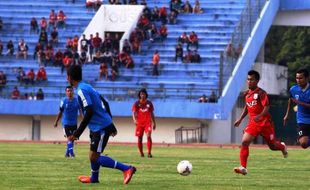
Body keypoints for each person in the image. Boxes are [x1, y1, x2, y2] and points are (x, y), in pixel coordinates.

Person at [66, 65, 136, 184]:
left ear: (69, 78)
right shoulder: (87, 86)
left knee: (95, 157)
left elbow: (89, 111)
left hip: (100, 127)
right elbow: (105, 102)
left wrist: (77, 134)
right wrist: (111, 123)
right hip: (98, 126)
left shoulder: (81, 91)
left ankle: (127, 168)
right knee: (92, 155)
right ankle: (94, 178)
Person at [233, 70, 288, 175]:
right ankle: (243, 167)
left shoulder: (261, 93)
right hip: (253, 123)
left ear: (257, 81)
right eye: (248, 79)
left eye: (252, 79)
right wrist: (240, 119)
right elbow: (247, 107)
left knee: (272, 146)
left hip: (265, 123)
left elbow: (267, 107)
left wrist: (260, 116)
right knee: (245, 142)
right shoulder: (247, 94)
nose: (249, 82)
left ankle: (282, 147)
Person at [283, 68, 310, 149]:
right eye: (297, 78)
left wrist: (299, 103)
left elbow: (296, 101)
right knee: (303, 144)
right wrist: (287, 114)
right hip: (302, 120)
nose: (298, 80)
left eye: (300, 78)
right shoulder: (293, 89)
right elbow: (290, 100)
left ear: (307, 78)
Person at [54, 86, 82, 157]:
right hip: (66, 123)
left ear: (73, 92)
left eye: (71, 91)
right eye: (68, 91)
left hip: (74, 123)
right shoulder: (63, 101)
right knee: (69, 138)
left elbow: (81, 111)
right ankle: (72, 153)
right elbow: (60, 112)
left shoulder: (77, 101)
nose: (69, 92)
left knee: (72, 139)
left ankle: (67, 153)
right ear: (66, 92)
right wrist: (56, 121)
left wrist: (84, 119)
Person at [132, 88, 156, 157]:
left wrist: (154, 123)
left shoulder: (149, 103)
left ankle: (149, 153)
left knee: (148, 136)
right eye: (141, 94)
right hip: (139, 123)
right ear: (139, 95)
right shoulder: (136, 103)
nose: (142, 95)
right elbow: (133, 113)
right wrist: (134, 120)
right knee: (140, 138)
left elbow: (151, 113)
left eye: (144, 94)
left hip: (147, 122)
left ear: (146, 95)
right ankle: (141, 153)